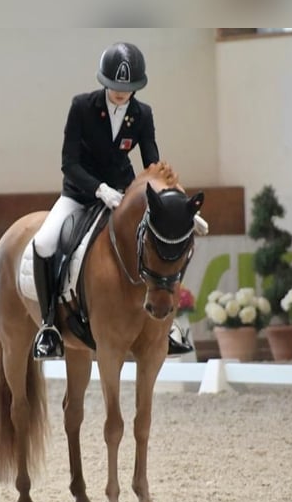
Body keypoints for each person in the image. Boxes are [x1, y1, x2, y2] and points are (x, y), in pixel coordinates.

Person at [31, 41, 195, 360]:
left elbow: (152, 166)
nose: (121, 93)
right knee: (44, 243)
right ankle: (49, 326)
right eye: (115, 86)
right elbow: (70, 162)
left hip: (124, 196)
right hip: (81, 194)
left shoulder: (142, 114)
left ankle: (166, 328)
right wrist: (99, 189)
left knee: (165, 242)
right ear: (104, 82)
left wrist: (174, 201)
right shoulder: (82, 107)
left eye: (128, 88)